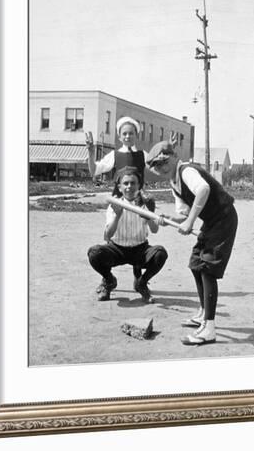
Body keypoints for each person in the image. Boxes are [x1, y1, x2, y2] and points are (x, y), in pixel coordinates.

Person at [146, 141, 238, 345]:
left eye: (162, 163)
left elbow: (203, 190)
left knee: (207, 268)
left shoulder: (186, 171)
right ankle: (203, 312)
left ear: (171, 158)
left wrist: (189, 222)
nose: (160, 169)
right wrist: (165, 218)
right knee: (196, 264)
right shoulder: (173, 182)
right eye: (156, 166)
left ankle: (209, 328)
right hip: (212, 221)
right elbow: (185, 213)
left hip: (224, 218)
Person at [87, 166, 168, 303]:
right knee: (94, 253)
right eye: (126, 183)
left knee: (160, 253)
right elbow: (107, 236)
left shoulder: (145, 205)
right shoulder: (115, 205)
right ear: (119, 187)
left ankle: (142, 283)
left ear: (138, 186)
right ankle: (109, 281)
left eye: (133, 183)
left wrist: (149, 217)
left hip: (140, 249)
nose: (129, 186)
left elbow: (154, 230)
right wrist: (117, 216)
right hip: (117, 248)